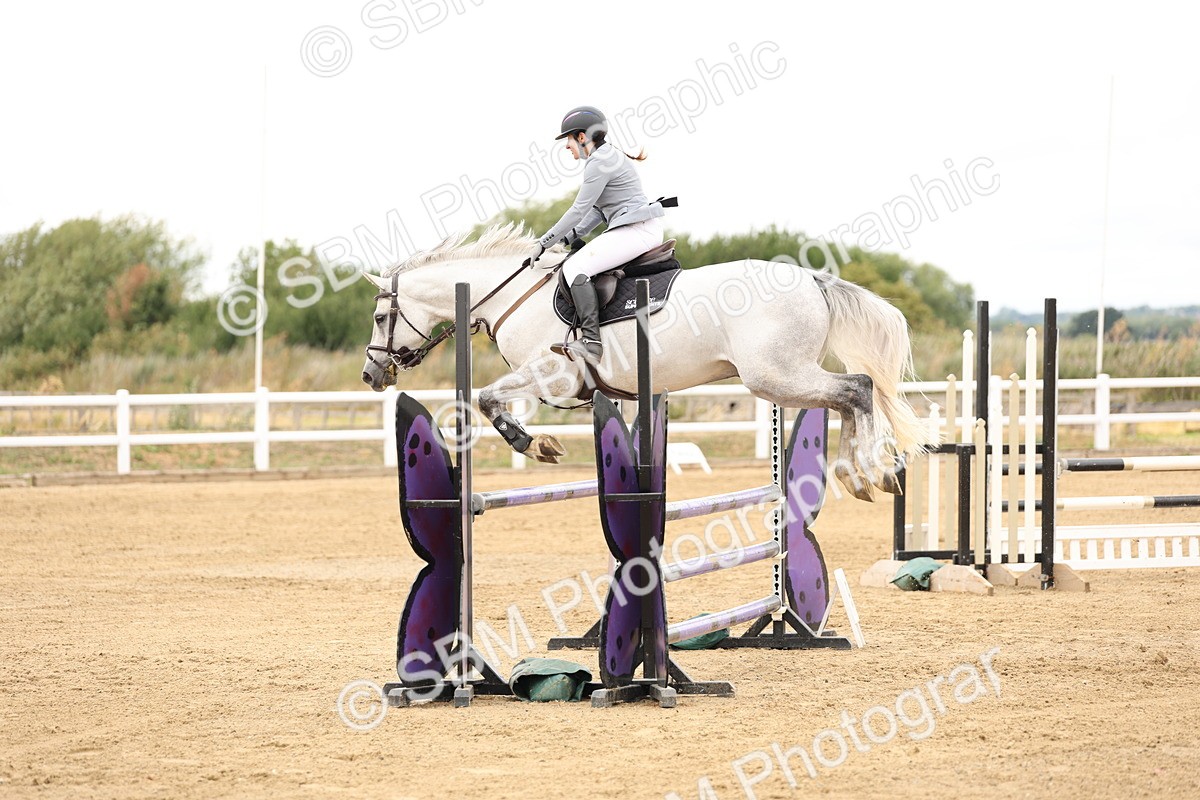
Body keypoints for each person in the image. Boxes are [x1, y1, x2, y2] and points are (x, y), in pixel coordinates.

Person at [530, 105, 668, 364]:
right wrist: (565, 239)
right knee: (578, 261)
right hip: (634, 227)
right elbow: (594, 213)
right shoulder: (605, 157)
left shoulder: (600, 161)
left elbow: (577, 210)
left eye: (568, 140)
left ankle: (591, 342)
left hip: (636, 229)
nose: (566, 147)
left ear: (582, 137)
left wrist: (543, 243)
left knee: (574, 268)